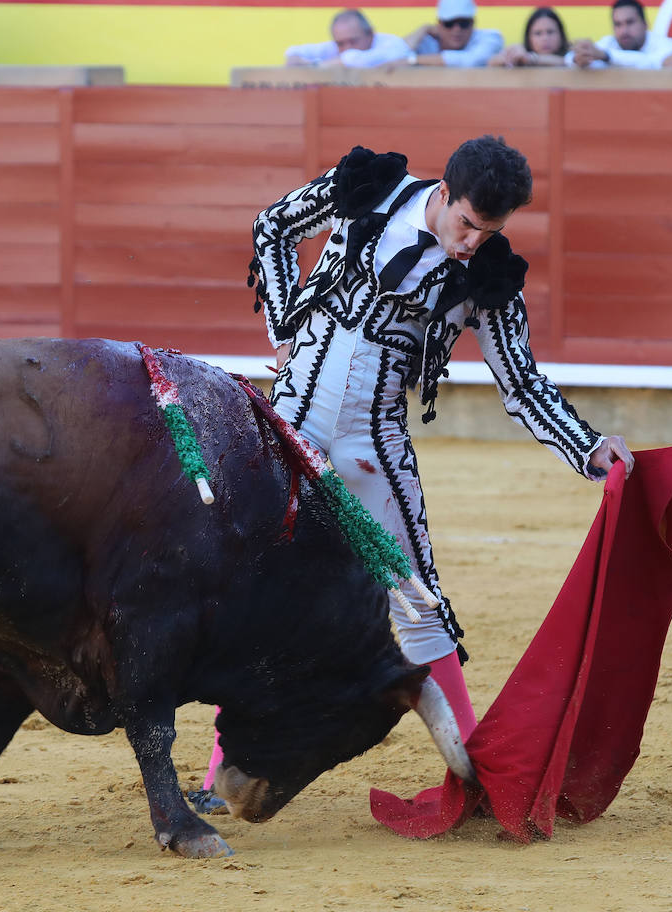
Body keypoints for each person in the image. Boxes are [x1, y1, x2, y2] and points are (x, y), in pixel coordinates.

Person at [188, 137, 635, 815]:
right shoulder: (370, 187)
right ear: (446, 193)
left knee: (416, 596)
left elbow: (521, 384)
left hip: (374, 443)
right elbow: (274, 225)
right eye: (466, 225)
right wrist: (285, 326)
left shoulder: (489, 278)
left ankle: (476, 766)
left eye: (490, 232)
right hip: (290, 425)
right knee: (254, 586)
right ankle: (221, 771)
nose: (471, 245)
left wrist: (587, 446)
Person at [570, 0, 672, 85]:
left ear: (645, 24)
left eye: (630, 22)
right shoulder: (608, 43)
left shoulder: (664, 45)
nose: (624, 31)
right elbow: (569, 60)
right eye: (618, 25)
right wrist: (579, 59)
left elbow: (650, 63)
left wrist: (606, 56)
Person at [398, 0, 503, 68]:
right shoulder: (426, 42)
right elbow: (395, 55)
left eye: (463, 23)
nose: (456, 29)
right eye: (449, 23)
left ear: (473, 23)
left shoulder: (490, 38)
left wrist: (413, 60)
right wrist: (424, 29)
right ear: (439, 24)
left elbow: (471, 61)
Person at [284, 9, 411, 68]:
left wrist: (316, 65)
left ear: (370, 34)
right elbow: (292, 52)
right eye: (340, 43)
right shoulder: (340, 45)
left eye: (353, 41)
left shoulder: (394, 45)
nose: (347, 48)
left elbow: (358, 60)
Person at [490, 6, 568, 67]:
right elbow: (492, 62)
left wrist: (531, 59)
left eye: (550, 32)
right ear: (529, 38)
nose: (545, 38)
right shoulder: (522, 55)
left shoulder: (573, 56)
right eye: (538, 33)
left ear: (561, 35)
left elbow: (567, 61)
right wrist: (511, 56)